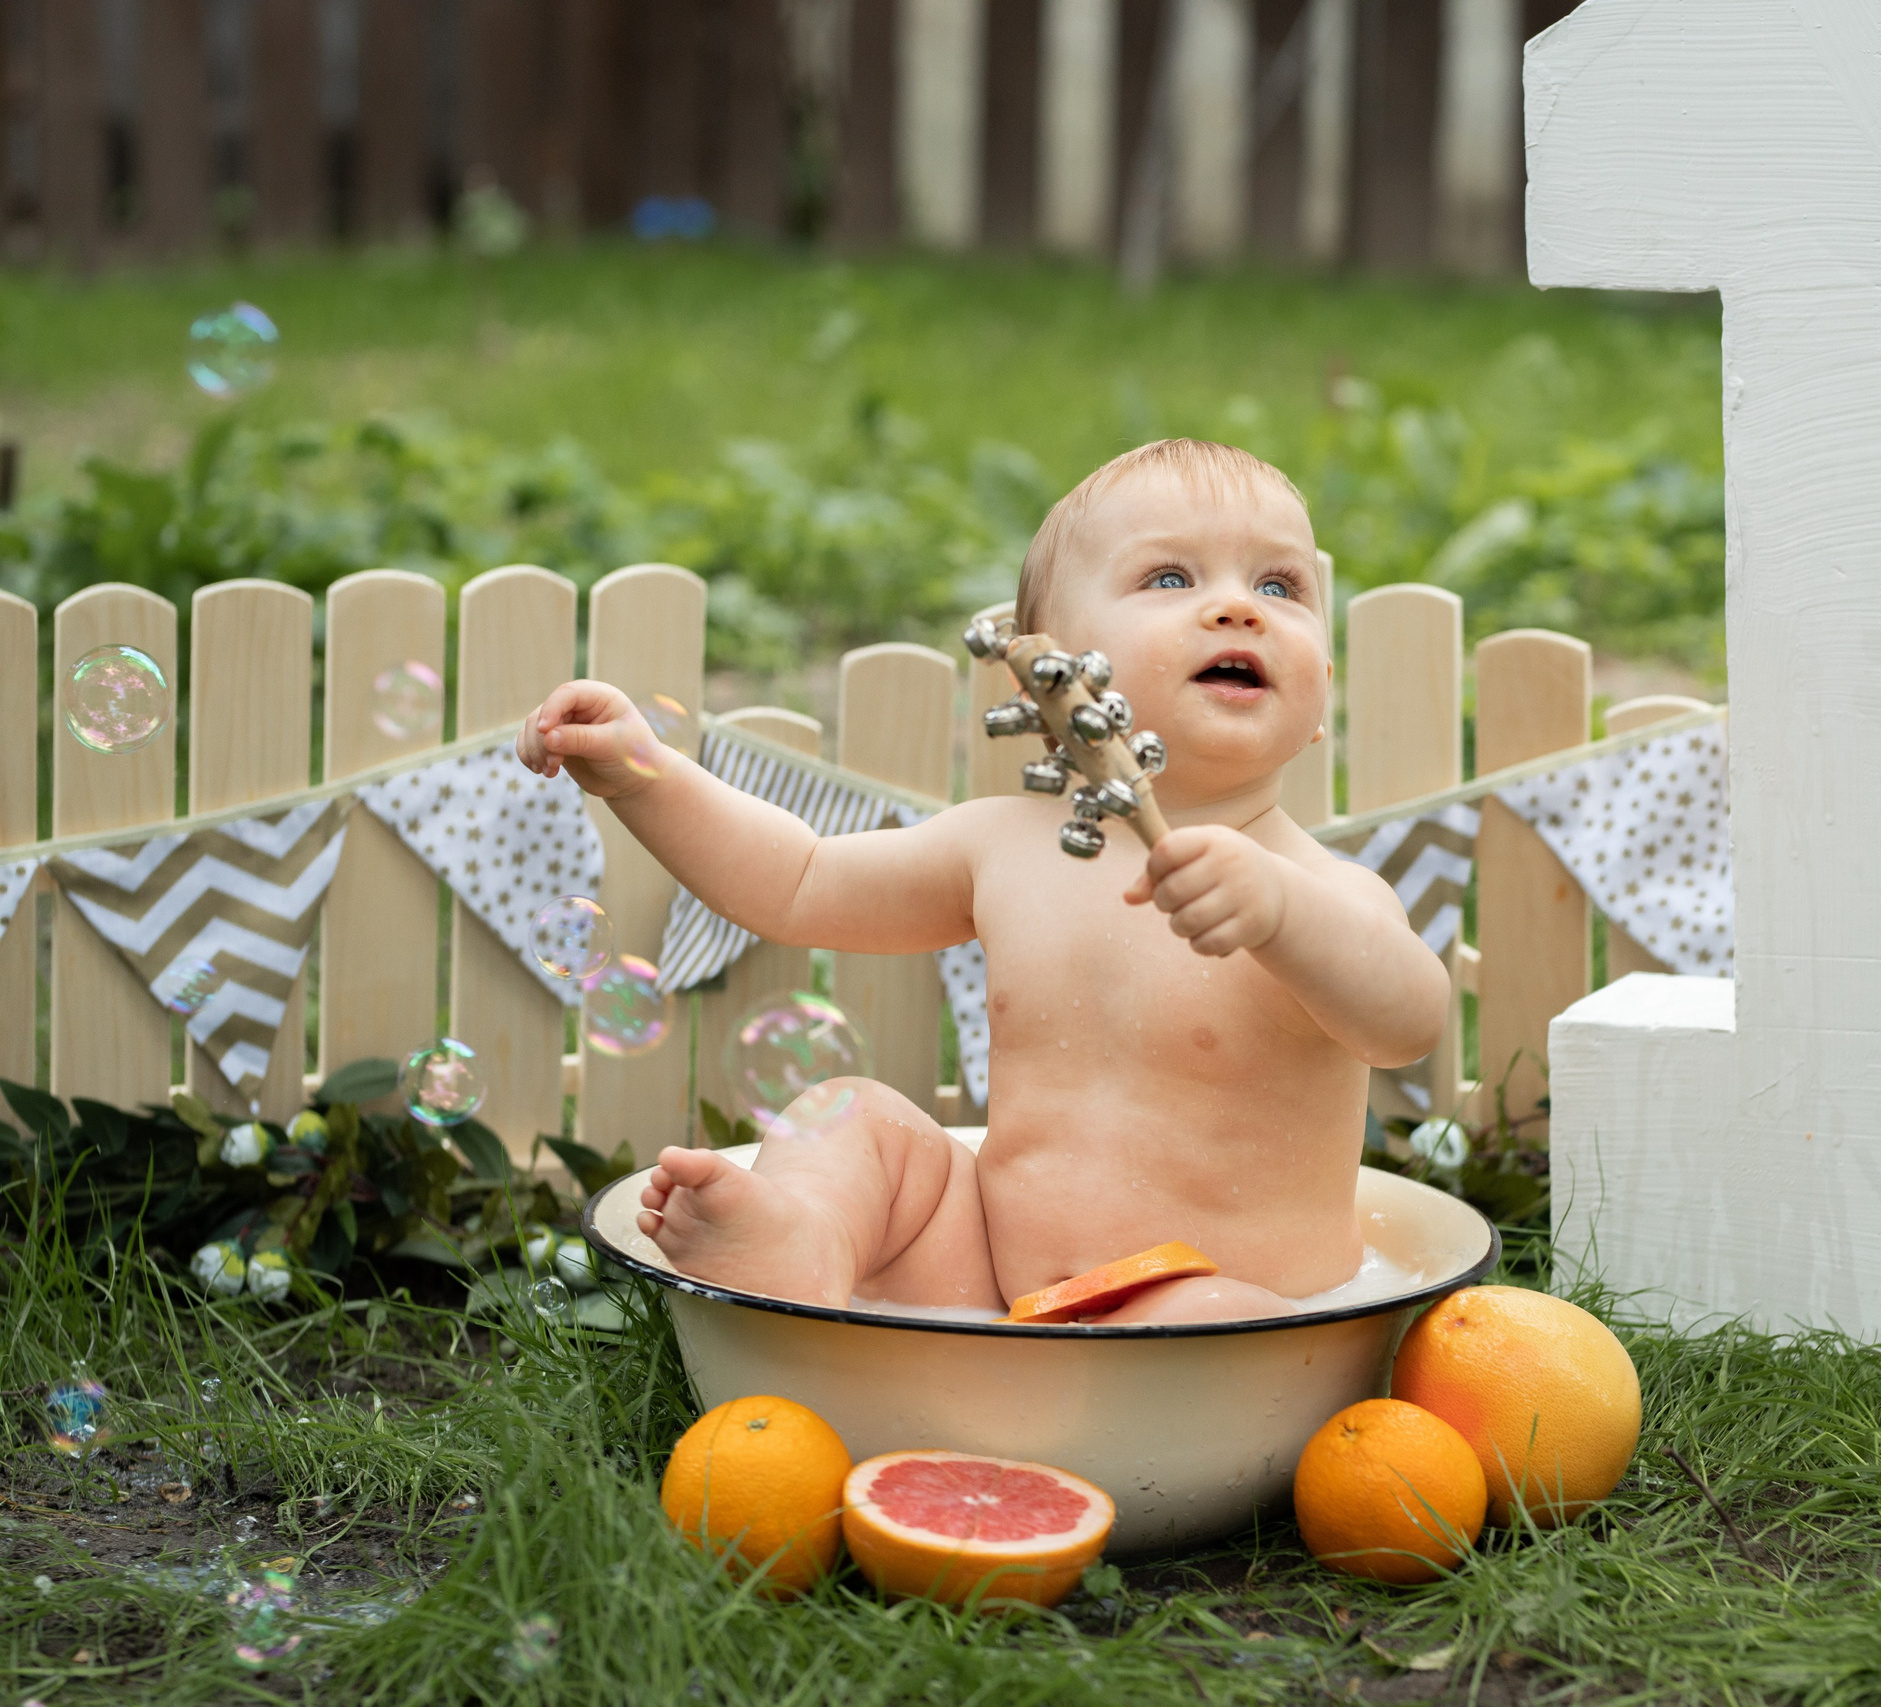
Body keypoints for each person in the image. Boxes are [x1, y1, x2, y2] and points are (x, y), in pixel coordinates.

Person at [517, 440, 1448, 1323]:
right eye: (1171, 577)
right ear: (1047, 676)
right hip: (995, 1280)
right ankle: (803, 1246)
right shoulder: (1004, 845)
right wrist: (646, 773)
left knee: (1213, 1313)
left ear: (1324, 687)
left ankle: (1098, 1385)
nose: (1238, 607)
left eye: (1280, 585)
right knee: (858, 1120)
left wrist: (1281, 916)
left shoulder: (1319, 892)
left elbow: (1406, 1021)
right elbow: (796, 880)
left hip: (1228, 1304)